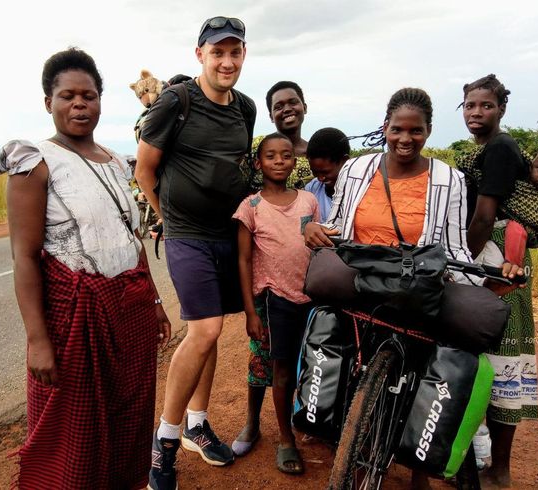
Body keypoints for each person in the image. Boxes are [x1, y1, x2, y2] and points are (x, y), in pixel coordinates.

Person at [303, 87, 523, 490]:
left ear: (429, 131)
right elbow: (339, 224)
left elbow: (455, 245)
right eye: (398, 129)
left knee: (429, 369)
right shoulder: (356, 170)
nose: (406, 139)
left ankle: (420, 469)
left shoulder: (450, 179)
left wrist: (484, 277)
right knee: (350, 361)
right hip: (362, 278)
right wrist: (312, 228)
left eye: (416, 131)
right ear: (385, 127)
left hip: (414, 285)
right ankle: (354, 438)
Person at [0, 47, 170, 489]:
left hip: (128, 314)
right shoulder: (34, 162)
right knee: (76, 436)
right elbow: (25, 257)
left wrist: (156, 302)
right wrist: (37, 340)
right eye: (67, 95)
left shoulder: (113, 161)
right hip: (75, 321)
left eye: (88, 95)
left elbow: (131, 238)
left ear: (100, 100)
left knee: (128, 418)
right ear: (48, 102)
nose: (78, 104)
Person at [134, 16, 256, 490]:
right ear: (200, 54)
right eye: (217, 52)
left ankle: (197, 425)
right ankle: (163, 445)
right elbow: (146, 168)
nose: (226, 61)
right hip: (186, 233)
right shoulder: (176, 101)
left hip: (227, 235)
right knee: (204, 330)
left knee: (208, 331)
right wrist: (166, 218)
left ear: (243, 55)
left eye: (235, 52)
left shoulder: (244, 108)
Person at [457, 74, 536, 489]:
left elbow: (485, 216)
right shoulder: (487, 149)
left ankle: (500, 472)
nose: (476, 112)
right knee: (484, 356)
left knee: (504, 362)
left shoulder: (500, 148)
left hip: (501, 260)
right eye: (470, 105)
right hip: (493, 255)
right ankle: (478, 461)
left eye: (485, 105)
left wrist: (460, 261)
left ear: (501, 109)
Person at [232, 80, 312, 455]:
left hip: (306, 295)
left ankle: (300, 423)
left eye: (285, 157)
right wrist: (249, 309)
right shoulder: (251, 203)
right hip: (269, 298)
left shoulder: (310, 197)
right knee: (261, 363)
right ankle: (261, 427)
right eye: (270, 157)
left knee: (296, 364)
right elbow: (244, 258)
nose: (279, 161)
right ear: (258, 162)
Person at [461, 143, 538, 267]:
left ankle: (512, 265)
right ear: (531, 165)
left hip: (531, 234)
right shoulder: (517, 176)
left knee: (515, 230)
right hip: (489, 230)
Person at [304, 127, 351, 222]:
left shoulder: (360, 190)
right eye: (315, 173)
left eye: (326, 172)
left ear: (345, 161)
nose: (320, 178)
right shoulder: (312, 189)